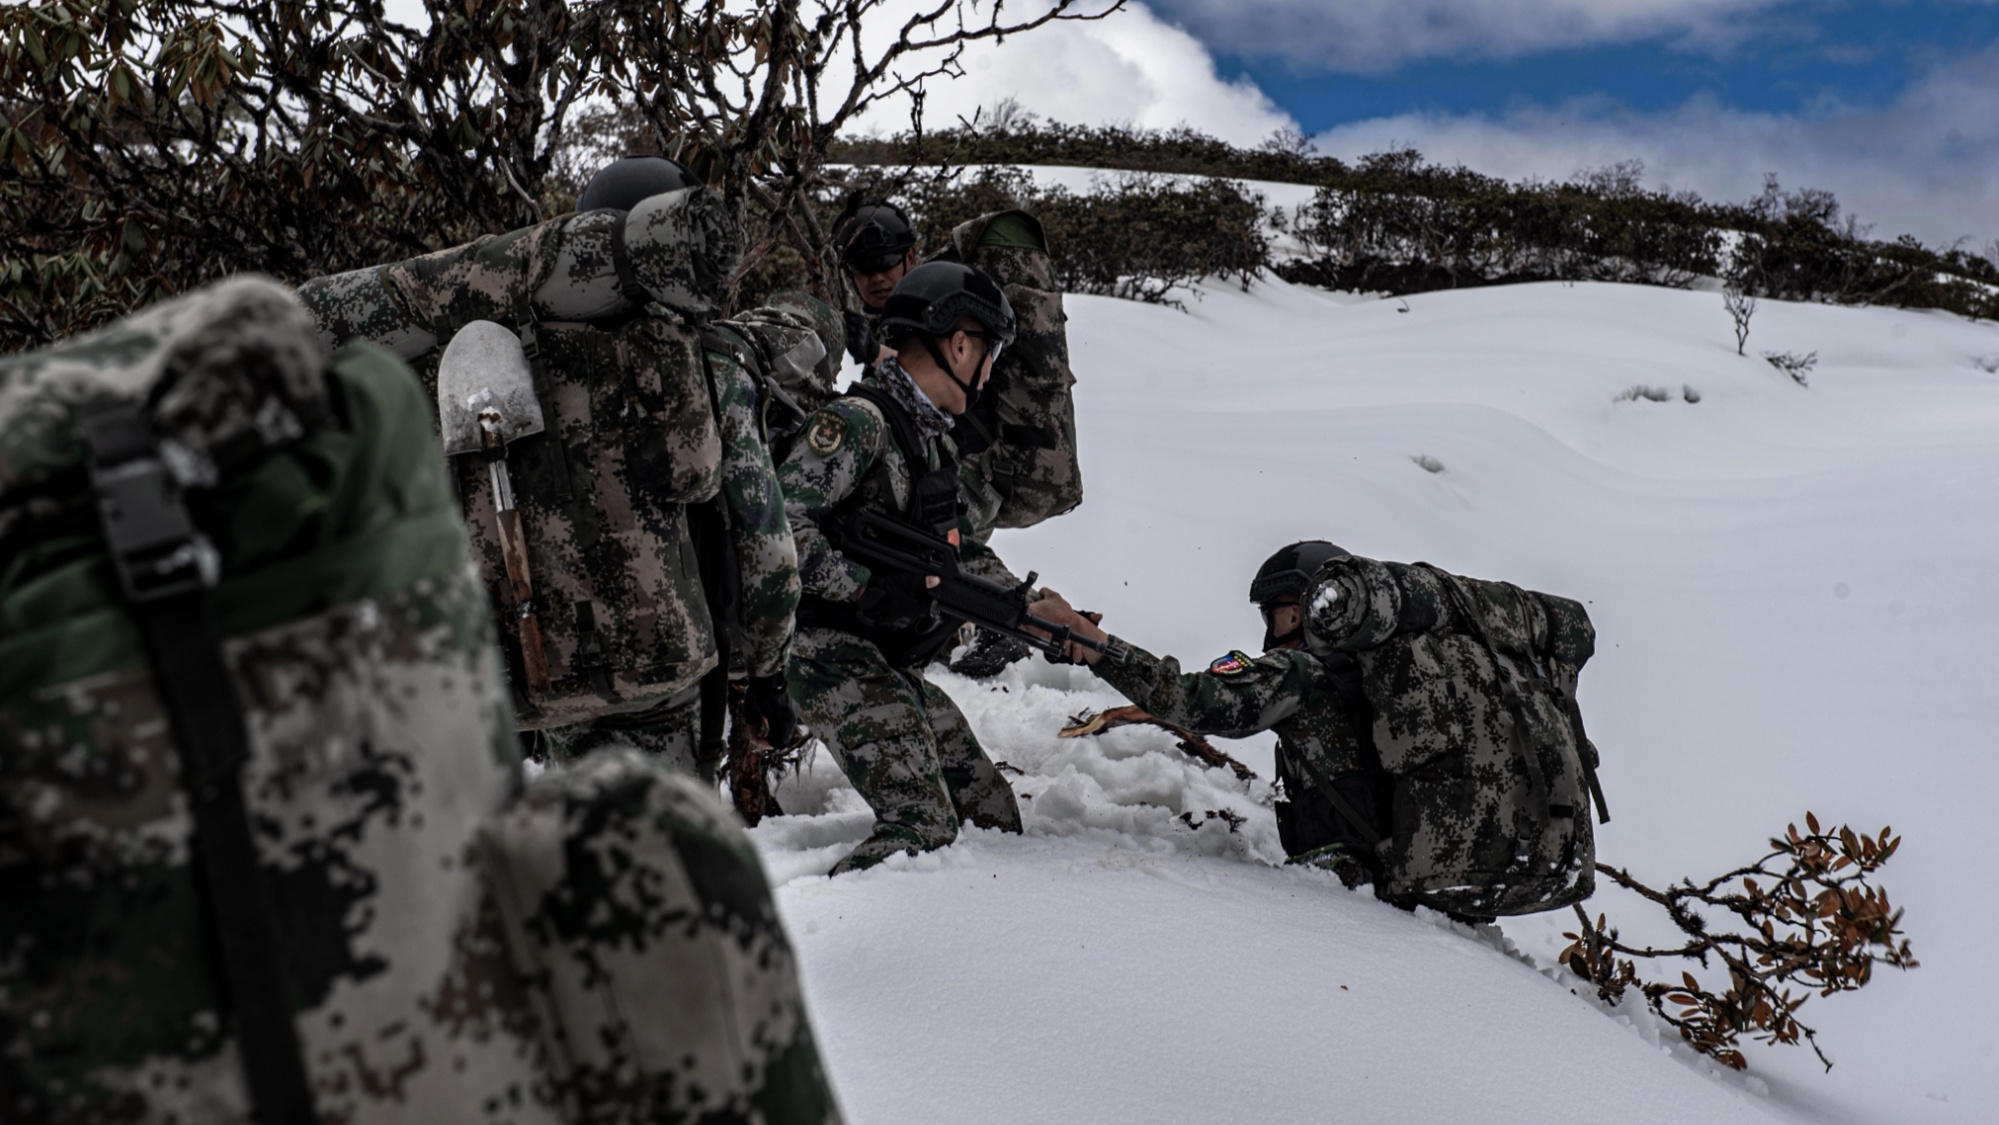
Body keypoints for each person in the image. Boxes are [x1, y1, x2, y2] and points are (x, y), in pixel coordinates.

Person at [299, 154, 806, 779]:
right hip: (659, 662)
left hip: (541, 671)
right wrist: (767, 672)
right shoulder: (690, 357)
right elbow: (760, 539)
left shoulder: (479, 352)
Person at [777, 261, 1031, 874]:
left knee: (990, 811)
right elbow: (780, 529)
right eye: (988, 353)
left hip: (882, 657)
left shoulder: (933, 441)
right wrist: (864, 590)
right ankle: (832, 919)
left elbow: (957, 548)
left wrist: (1024, 608)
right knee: (924, 826)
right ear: (960, 343)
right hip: (824, 654)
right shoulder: (858, 425)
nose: (989, 372)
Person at [1032, 541, 1391, 889]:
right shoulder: (1371, 671)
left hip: (1346, 881)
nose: (1270, 630)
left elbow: (1192, 701)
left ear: (1298, 614)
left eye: (1273, 613)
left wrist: (1092, 641)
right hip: (1387, 873)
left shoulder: (1304, 672)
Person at [835, 201, 1086, 679]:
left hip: (980, 464)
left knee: (939, 538)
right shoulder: (904, 316)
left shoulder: (938, 310)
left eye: (886, 261)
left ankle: (990, 622)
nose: (875, 277)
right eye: (862, 268)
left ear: (910, 259)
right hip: (951, 464)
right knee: (933, 542)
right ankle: (992, 619)